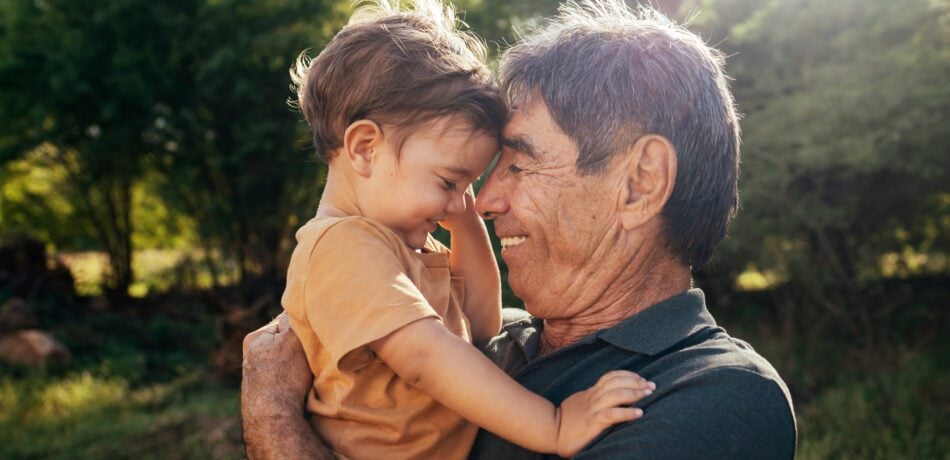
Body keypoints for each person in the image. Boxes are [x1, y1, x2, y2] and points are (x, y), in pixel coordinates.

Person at [242, 0, 797, 458]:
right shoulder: (494, 340)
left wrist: (274, 422)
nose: (481, 200)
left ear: (640, 183)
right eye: (462, 176)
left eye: (520, 162)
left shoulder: (716, 396)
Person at [273, 1, 655, 458]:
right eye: (449, 181)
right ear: (365, 148)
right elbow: (427, 357)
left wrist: (467, 226)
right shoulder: (343, 247)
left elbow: (481, 323)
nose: (461, 201)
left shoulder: (405, 247)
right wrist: (552, 424)